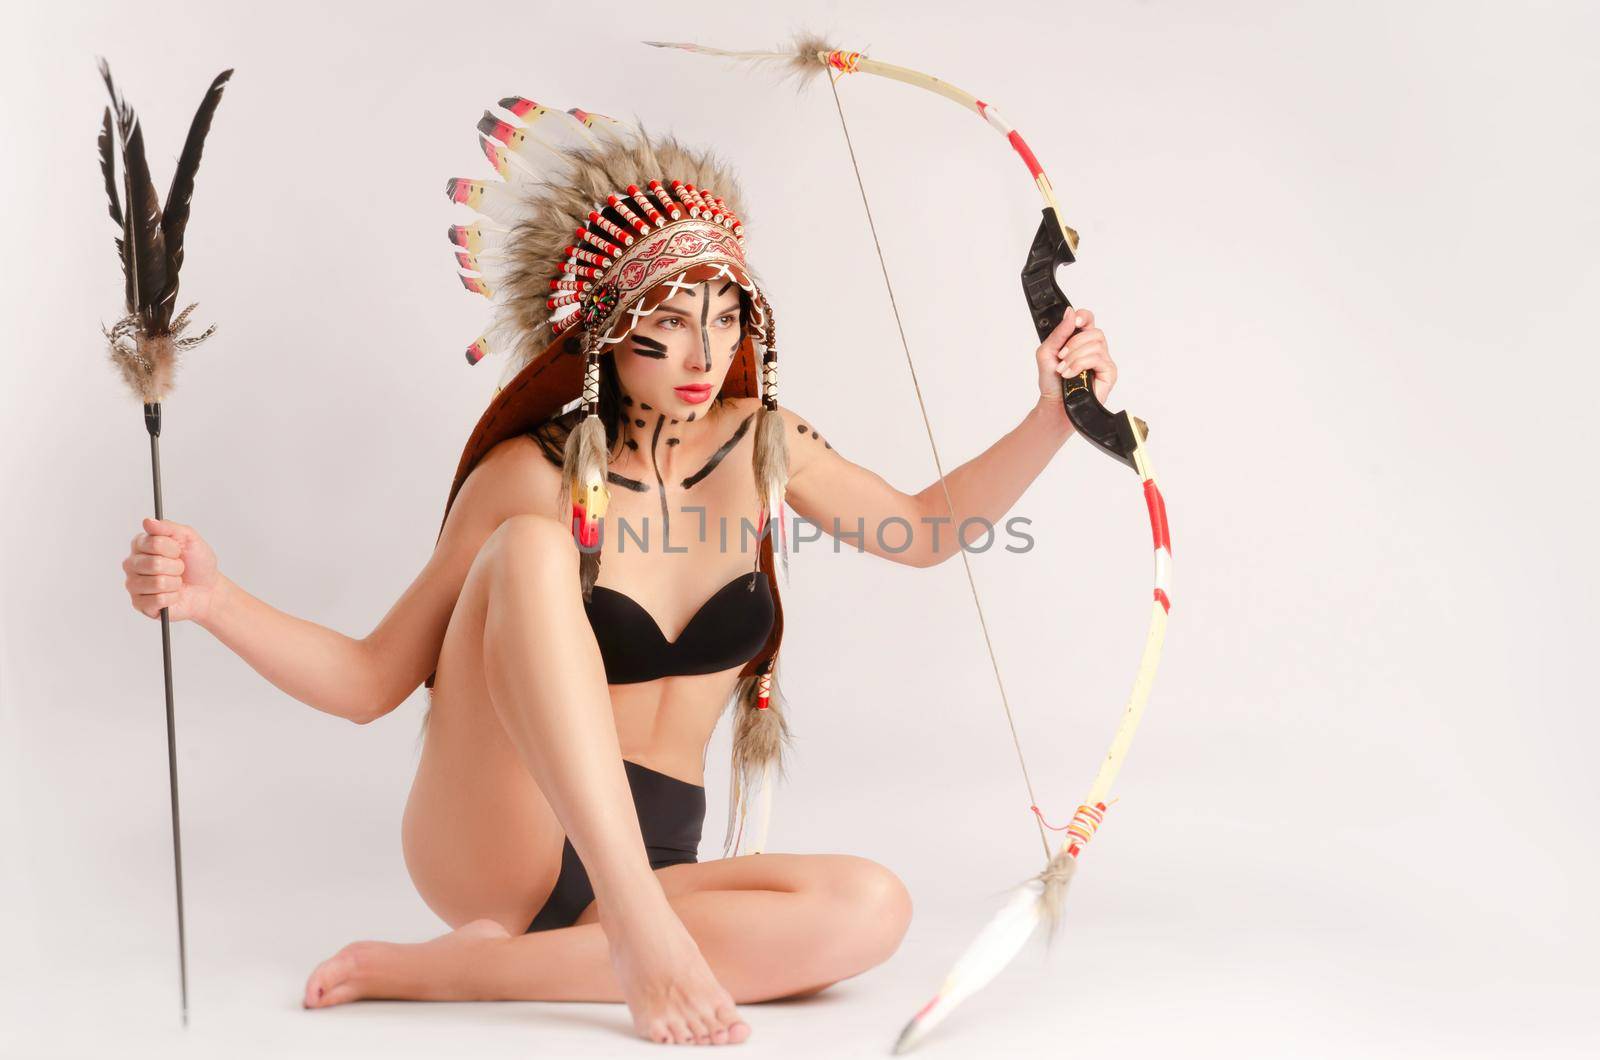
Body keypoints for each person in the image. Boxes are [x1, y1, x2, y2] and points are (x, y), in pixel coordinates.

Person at [117, 101, 1115, 1047]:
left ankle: (472, 971)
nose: (702, 347)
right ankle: (627, 937)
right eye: (670, 319)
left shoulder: (765, 444)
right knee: (531, 545)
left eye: (724, 314)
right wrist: (214, 598)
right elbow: (374, 678)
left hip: (654, 859)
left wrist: (1053, 419)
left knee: (871, 909)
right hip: (504, 840)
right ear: (603, 326)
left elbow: (923, 530)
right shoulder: (529, 473)